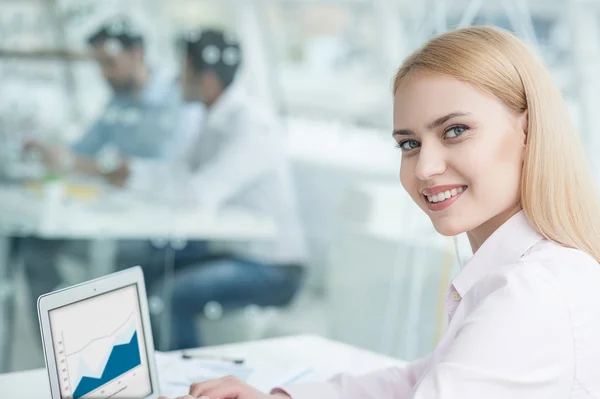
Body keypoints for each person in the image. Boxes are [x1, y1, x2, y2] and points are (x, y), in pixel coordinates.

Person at [159, 26, 600, 399]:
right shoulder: (524, 271)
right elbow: (419, 378)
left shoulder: (531, 294)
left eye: (455, 131)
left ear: (527, 131)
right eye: (409, 144)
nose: (424, 168)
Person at [99, 29, 307, 350]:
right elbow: (178, 173)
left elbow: (198, 193)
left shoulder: (251, 126)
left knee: (172, 295)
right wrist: (133, 173)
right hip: (229, 252)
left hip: (272, 268)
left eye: (182, 72)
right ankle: (136, 370)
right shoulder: (213, 119)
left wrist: (141, 182)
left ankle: (185, 386)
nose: (176, 80)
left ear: (207, 79)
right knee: (134, 266)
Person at [21, 17, 203, 320]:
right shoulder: (118, 104)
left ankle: (102, 341)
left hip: (159, 230)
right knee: (33, 248)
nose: (103, 73)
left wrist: (81, 164)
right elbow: (81, 152)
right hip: (114, 221)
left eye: (109, 62)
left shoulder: (179, 98)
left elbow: (156, 174)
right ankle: (65, 343)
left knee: (111, 272)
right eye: (99, 64)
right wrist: (50, 150)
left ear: (137, 55)